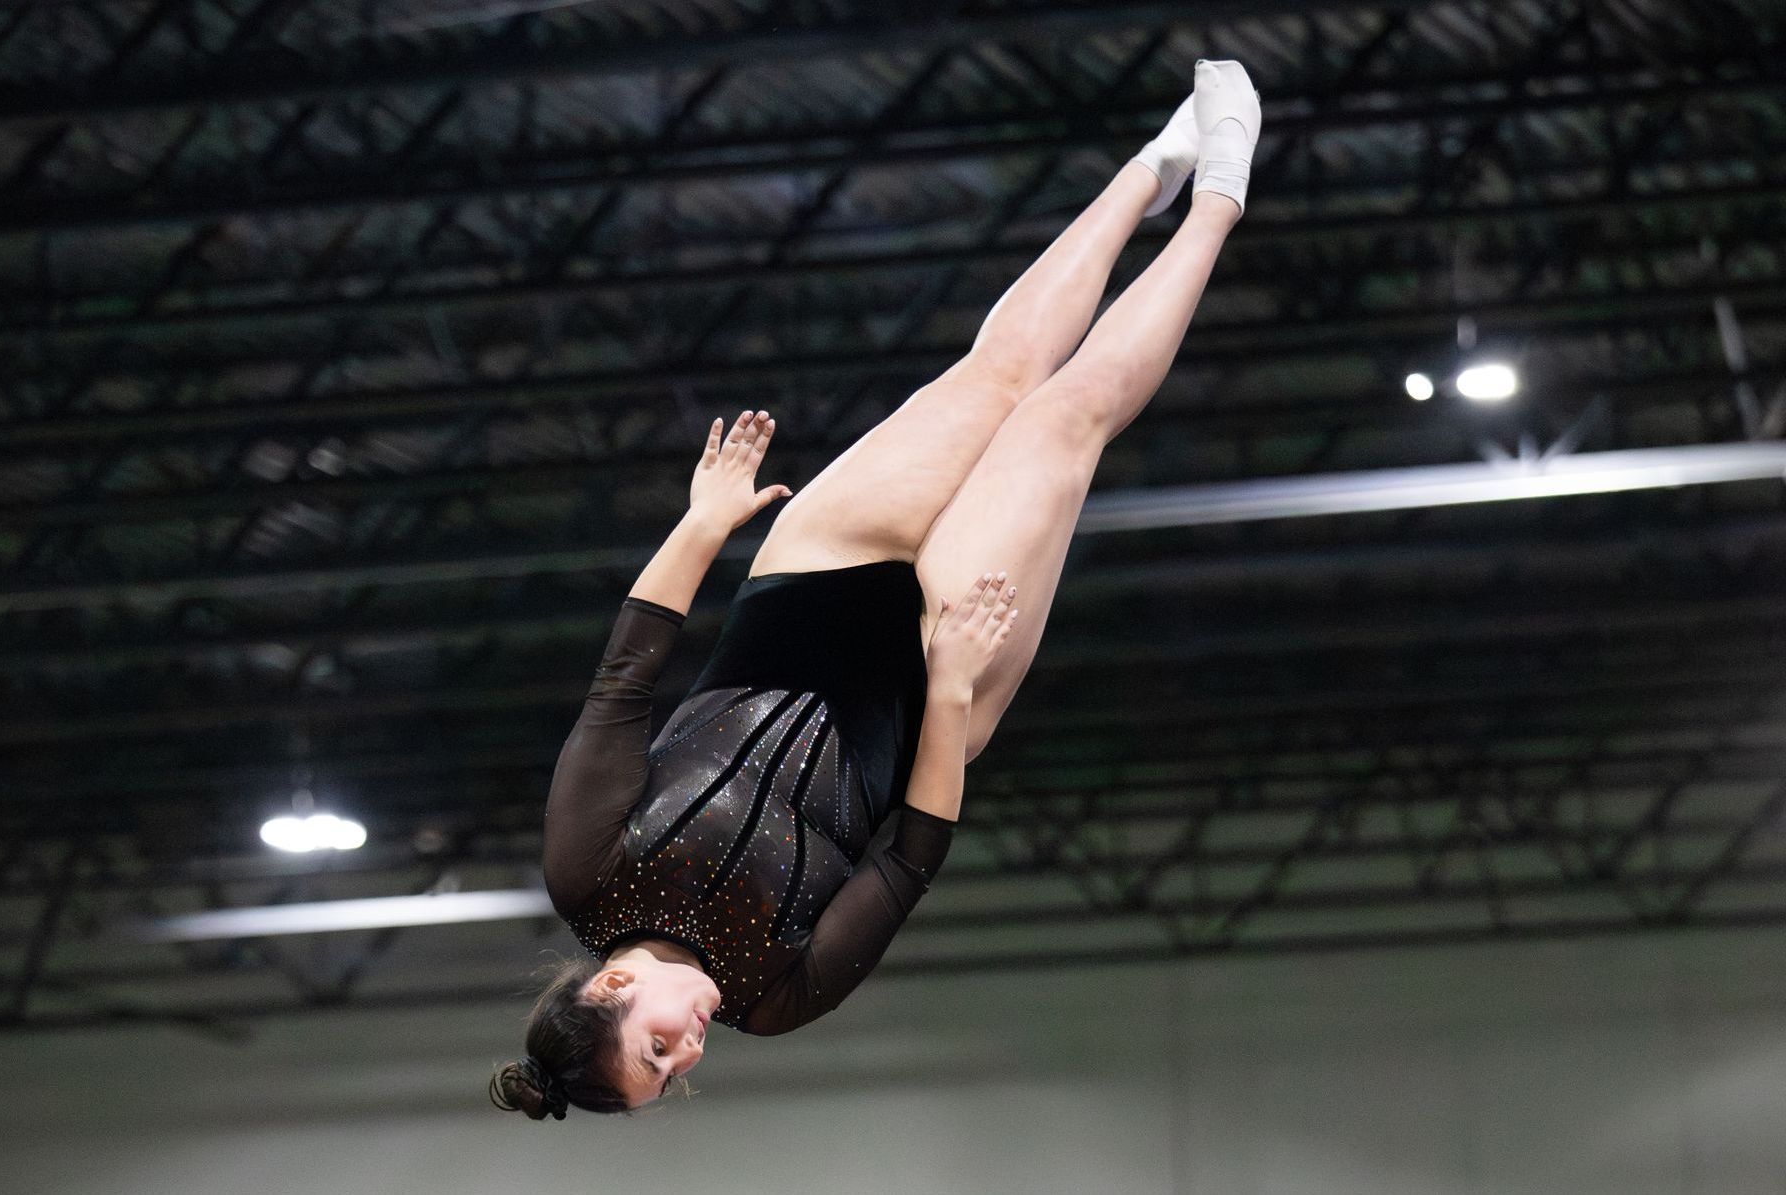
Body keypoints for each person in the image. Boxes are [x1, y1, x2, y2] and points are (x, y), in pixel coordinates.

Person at [491, 59, 1262, 1120]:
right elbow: (907, 860)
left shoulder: (586, 872)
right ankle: (1220, 198)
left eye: (658, 1048)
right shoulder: (777, 995)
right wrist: (948, 692)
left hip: (803, 587)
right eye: (674, 1077)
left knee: (993, 378)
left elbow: (623, 680)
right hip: (926, 688)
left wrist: (704, 523)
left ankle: (1150, 172)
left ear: (611, 986)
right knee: (1059, 421)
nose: (692, 1053)